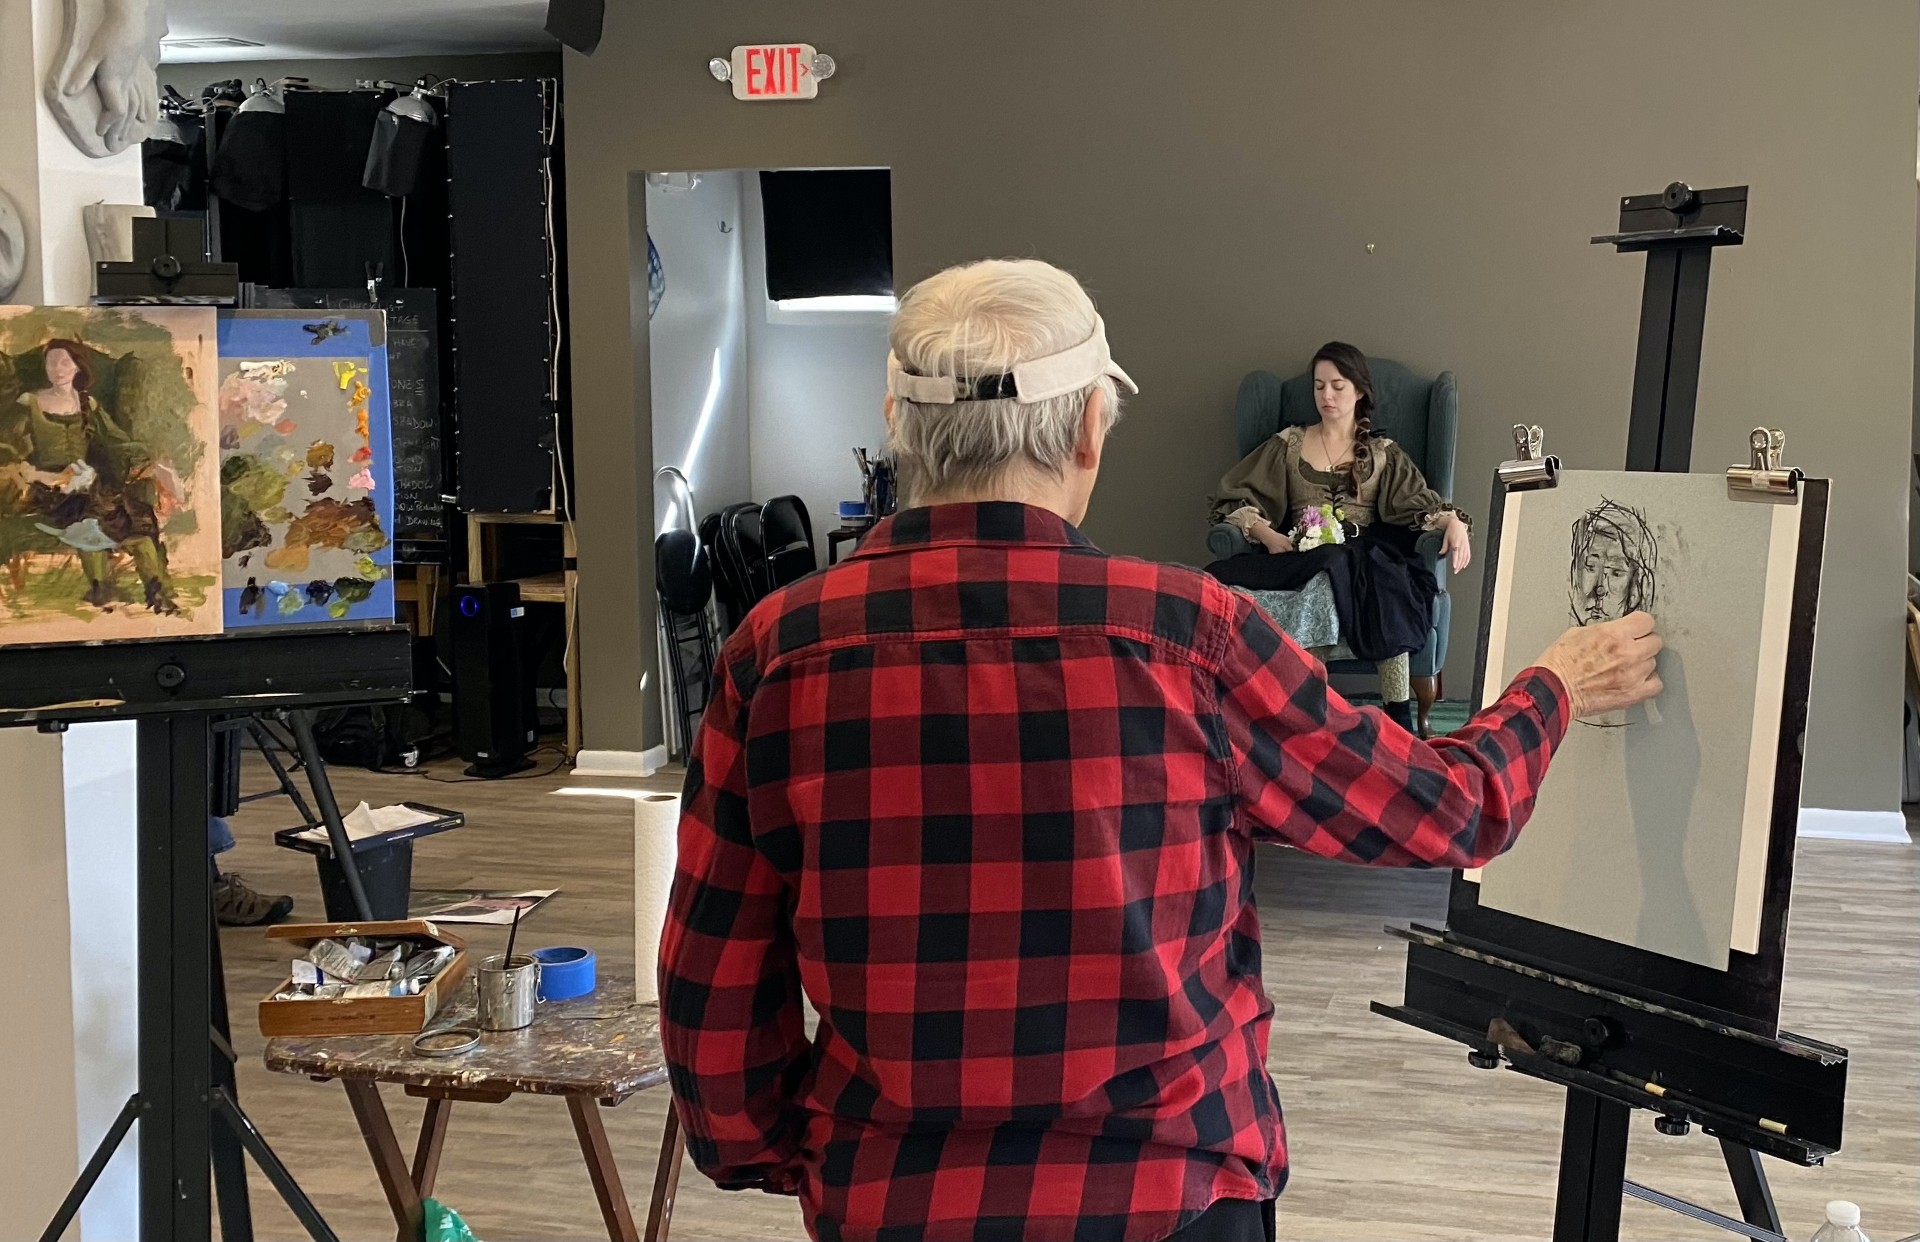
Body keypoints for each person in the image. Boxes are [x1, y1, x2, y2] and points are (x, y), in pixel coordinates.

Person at [658, 259, 1663, 1242]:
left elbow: (713, 970)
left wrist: (778, 1153)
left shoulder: (778, 651)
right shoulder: (1192, 634)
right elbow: (1451, 810)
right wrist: (1556, 684)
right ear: (1090, 430)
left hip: (890, 1198)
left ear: (898, 428)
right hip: (1176, 1190)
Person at [1205, 342, 1467, 731]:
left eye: (1337, 386)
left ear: (1359, 390)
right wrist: (1269, 537)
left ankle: (1397, 716)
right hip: (1302, 553)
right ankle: (1304, 707)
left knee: (1380, 585)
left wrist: (1454, 523)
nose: (1326, 395)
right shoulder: (1288, 445)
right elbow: (1236, 498)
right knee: (1238, 586)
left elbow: (1419, 503)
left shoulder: (1382, 453)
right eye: (1319, 386)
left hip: (1365, 556)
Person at [0, 338, 179, 613]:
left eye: (64, 362)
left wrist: (150, 462)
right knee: (93, 513)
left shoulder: (88, 404)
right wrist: (46, 477)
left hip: (87, 485)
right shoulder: (30, 403)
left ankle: (157, 593)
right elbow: (11, 453)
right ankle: (100, 588)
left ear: (77, 368)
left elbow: (117, 441)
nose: (57, 368)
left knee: (138, 516)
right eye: (51, 362)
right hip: (46, 489)